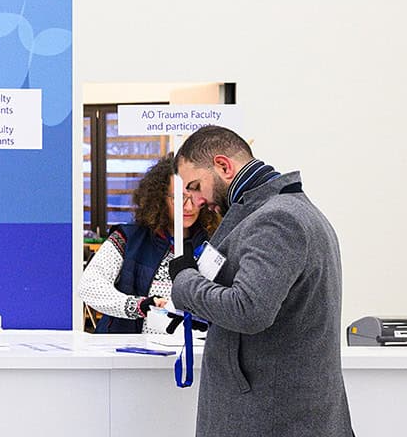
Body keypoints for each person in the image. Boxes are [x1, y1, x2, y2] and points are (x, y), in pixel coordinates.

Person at [168, 126, 352, 436]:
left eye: (196, 186)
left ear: (224, 166)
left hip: (273, 417)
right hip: (278, 411)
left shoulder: (278, 218)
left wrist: (185, 281)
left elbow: (249, 309)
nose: (196, 201)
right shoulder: (286, 210)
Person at [80, 155, 219, 334]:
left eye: (195, 198)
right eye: (179, 198)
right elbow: (89, 286)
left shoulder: (213, 243)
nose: (189, 207)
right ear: (159, 199)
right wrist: (139, 305)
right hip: (133, 353)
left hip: (191, 354)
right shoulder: (128, 238)